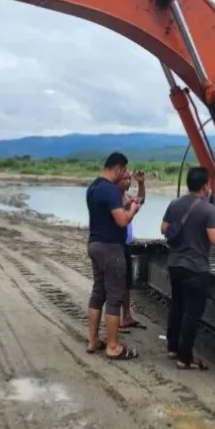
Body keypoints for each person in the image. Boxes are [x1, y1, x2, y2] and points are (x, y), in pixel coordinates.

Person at [160, 166, 215, 371]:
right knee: (192, 313)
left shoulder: (175, 203)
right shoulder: (208, 209)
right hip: (195, 268)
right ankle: (184, 358)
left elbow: (164, 228)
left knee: (177, 306)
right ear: (205, 185)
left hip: (175, 265)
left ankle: (172, 348)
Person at [85, 151, 141, 360]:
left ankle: (92, 340)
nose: (125, 174)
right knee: (115, 297)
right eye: (124, 170)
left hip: (95, 244)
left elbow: (107, 214)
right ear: (118, 168)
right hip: (111, 249)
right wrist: (132, 209)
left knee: (98, 293)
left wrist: (124, 206)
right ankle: (113, 346)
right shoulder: (109, 190)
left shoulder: (93, 187)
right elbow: (121, 221)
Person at [117, 168, 147, 332]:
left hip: (126, 244)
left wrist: (141, 183)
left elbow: (140, 201)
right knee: (117, 283)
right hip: (116, 245)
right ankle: (116, 321)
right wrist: (129, 205)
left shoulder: (126, 198)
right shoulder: (115, 199)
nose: (128, 182)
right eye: (125, 179)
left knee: (126, 283)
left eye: (130, 179)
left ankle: (126, 316)